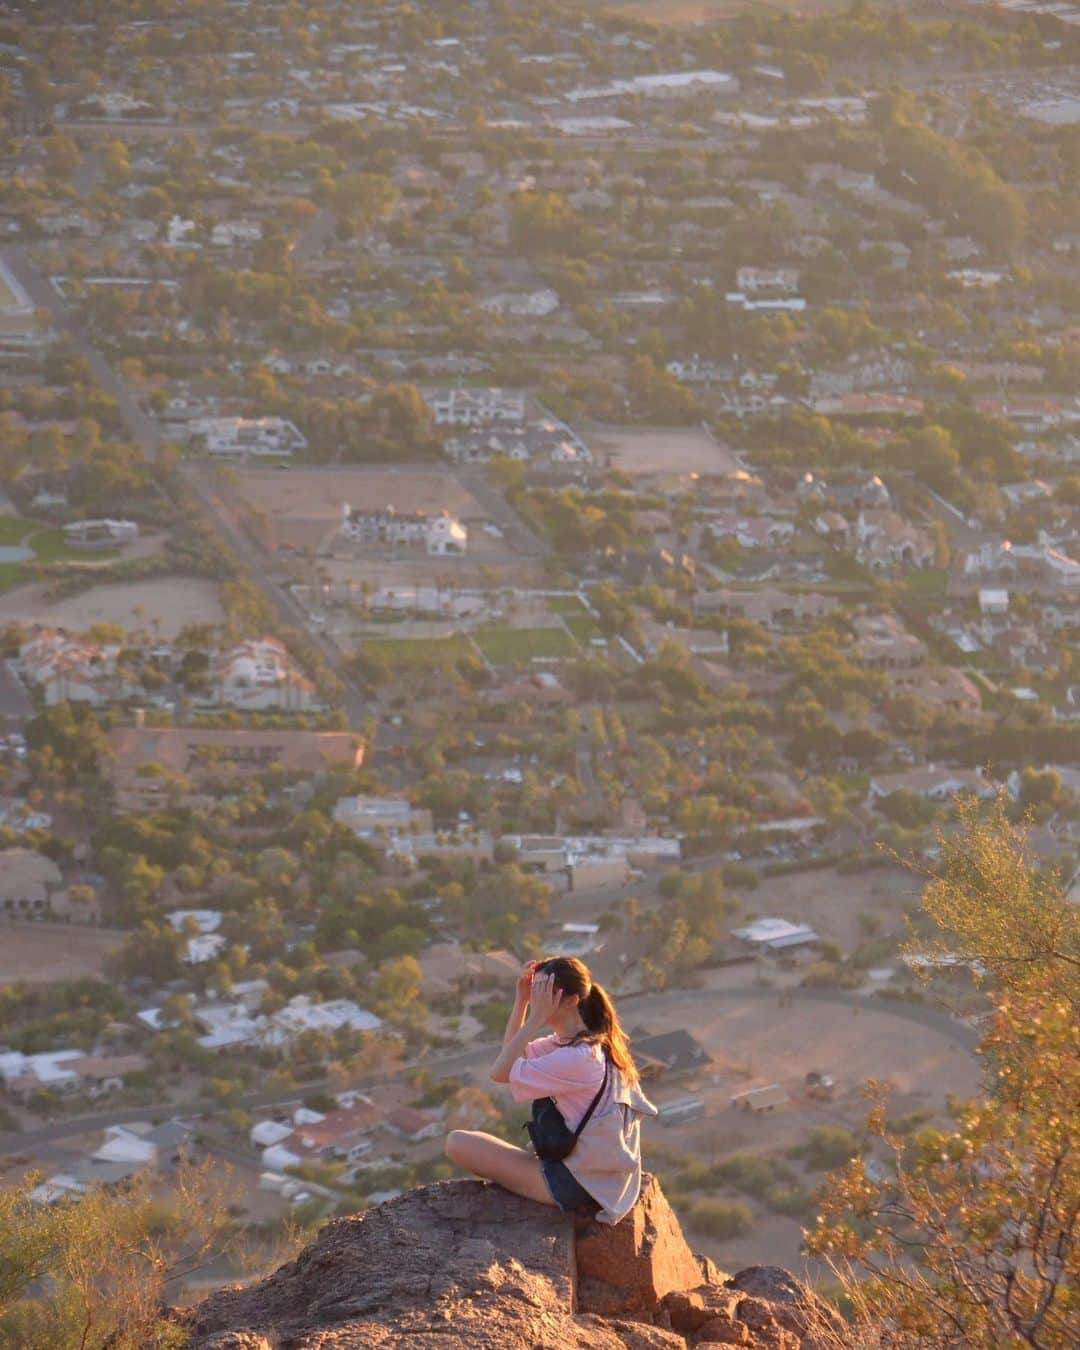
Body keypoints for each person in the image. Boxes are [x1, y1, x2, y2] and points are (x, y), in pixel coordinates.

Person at [445, 956, 657, 1224]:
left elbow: (499, 1073)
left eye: (546, 992)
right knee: (472, 1142)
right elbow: (512, 1054)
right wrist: (521, 1001)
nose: (539, 999)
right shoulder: (575, 1044)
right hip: (586, 1173)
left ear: (570, 1000)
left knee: (458, 1143)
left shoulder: (580, 1058)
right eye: (537, 990)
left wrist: (534, 1018)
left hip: (577, 1183)